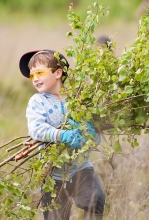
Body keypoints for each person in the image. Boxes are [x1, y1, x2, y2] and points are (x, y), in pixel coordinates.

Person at [19, 49, 105, 220]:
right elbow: (36, 129)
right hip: (53, 175)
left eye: (40, 73)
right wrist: (62, 135)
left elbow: (96, 138)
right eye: (32, 75)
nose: (35, 78)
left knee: (96, 199)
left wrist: (90, 133)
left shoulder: (77, 98)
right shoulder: (37, 101)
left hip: (81, 167)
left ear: (58, 73)